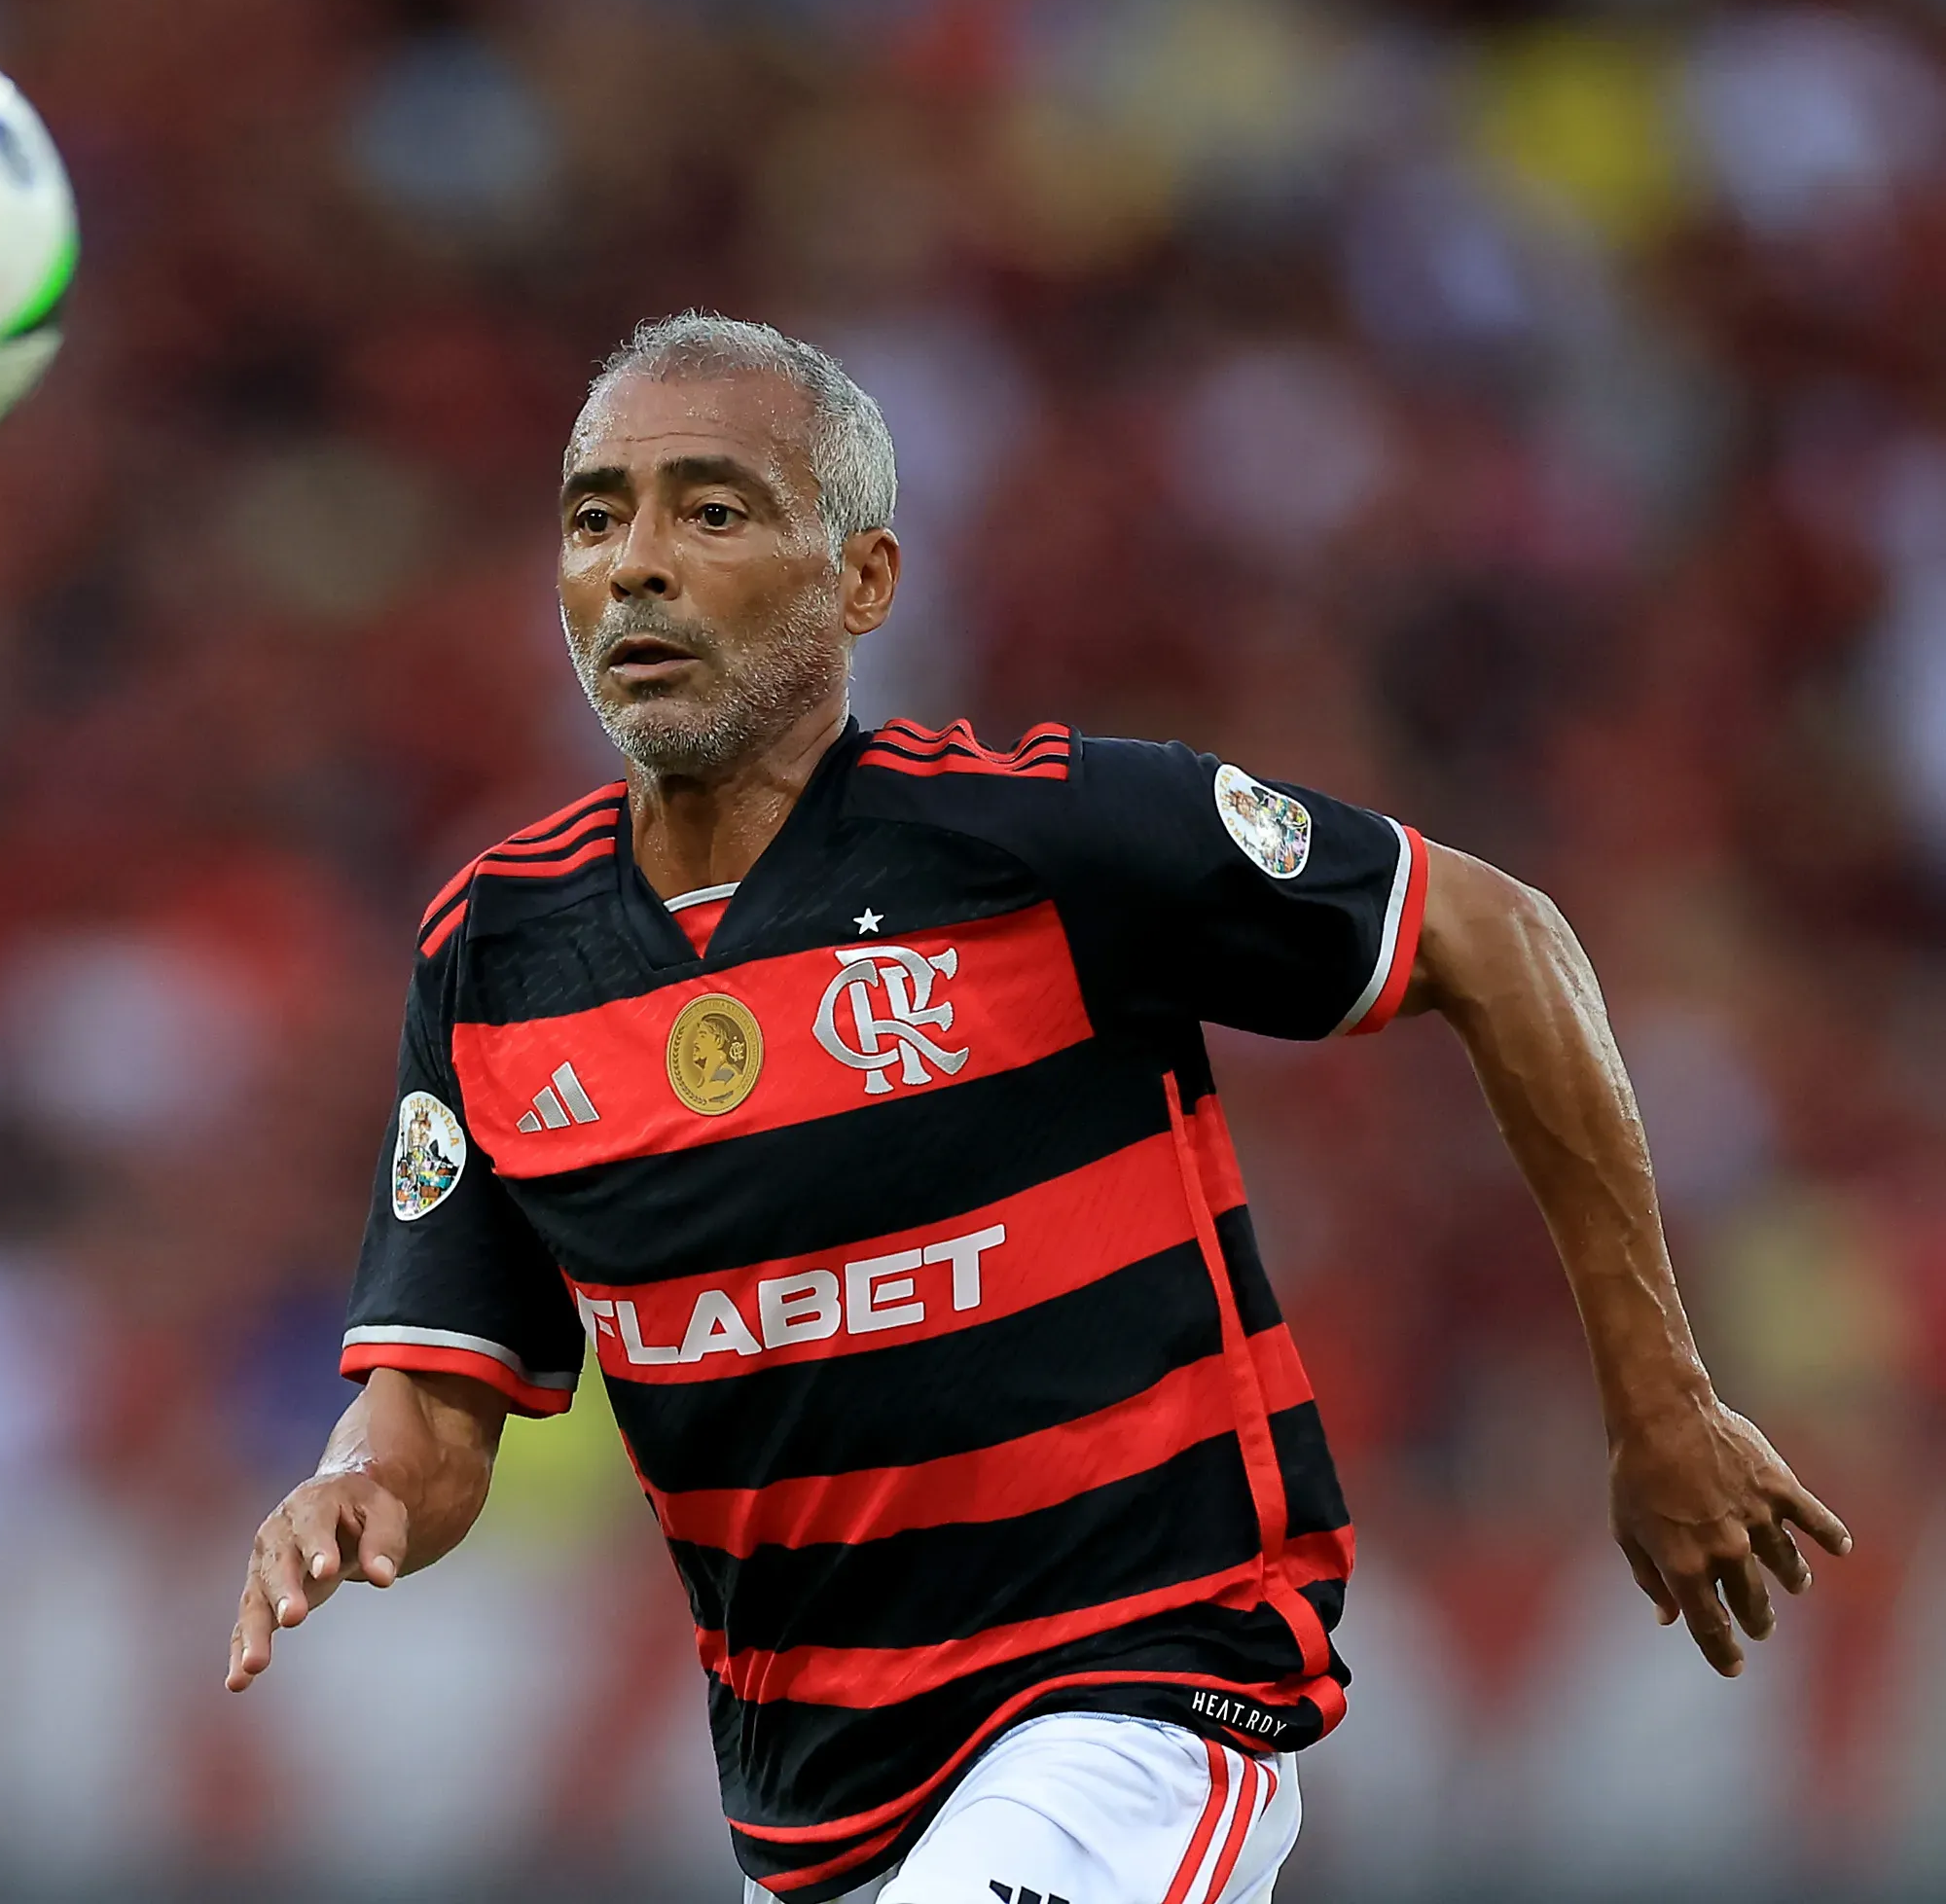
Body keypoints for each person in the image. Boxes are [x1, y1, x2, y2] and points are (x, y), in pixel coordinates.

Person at [223, 313, 1851, 1904]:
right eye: (597, 518)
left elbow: (1498, 936)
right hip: (816, 1805)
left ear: (862, 581)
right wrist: (358, 1484)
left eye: (711, 511)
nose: (635, 563)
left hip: (1138, 1693)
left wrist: (1660, 1402)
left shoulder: (1041, 837)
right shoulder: (498, 954)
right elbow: (440, 1408)